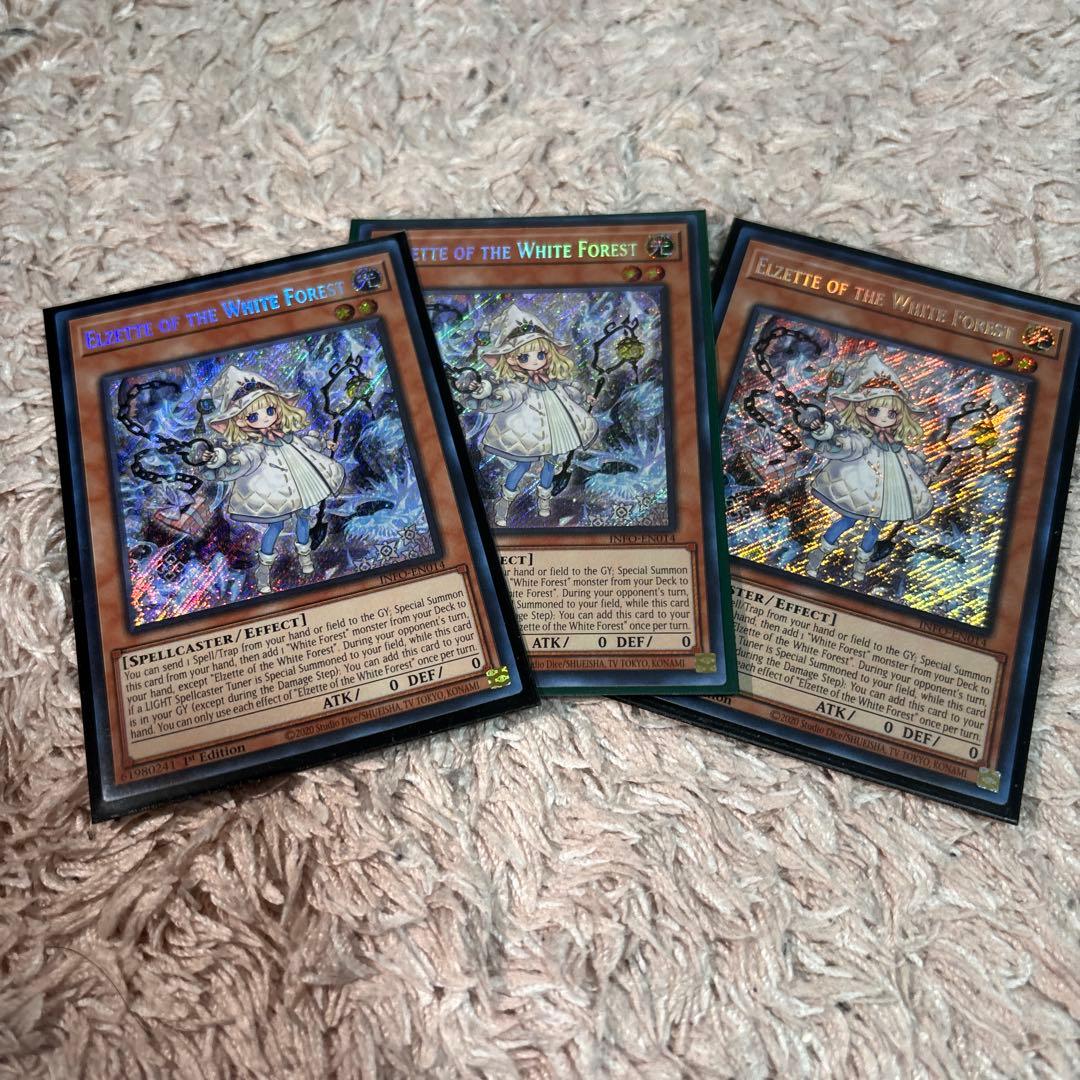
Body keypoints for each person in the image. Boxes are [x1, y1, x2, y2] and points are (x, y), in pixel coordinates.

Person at [200, 365, 344, 593]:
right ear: (241, 421)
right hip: (273, 490)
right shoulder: (254, 446)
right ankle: (264, 571)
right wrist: (220, 459)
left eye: (270, 410)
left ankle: (305, 555)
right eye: (253, 416)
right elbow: (241, 460)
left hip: (300, 483)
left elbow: (305, 447)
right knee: (276, 525)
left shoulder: (285, 435)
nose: (266, 418)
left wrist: (323, 443)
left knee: (304, 516)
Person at [455, 304, 598, 526]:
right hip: (528, 431)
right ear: (512, 359)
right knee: (522, 465)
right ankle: (504, 503)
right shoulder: (519, 386)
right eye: (525, 357)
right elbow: (505, 397)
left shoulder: (551, 379)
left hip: (555, 427)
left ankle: (544, 500)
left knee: (551, 463)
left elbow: (569, 392)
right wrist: (485, 392)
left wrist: (585, 396)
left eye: (541, 354)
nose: (535, 360)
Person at [799, 352, 932, 583]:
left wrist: (921, 467)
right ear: (861, 409)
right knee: (848, 520)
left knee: (876, 527)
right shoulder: (863, 437)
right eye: (874, 410)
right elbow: (849, 446)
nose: (884, 418)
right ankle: (818, 555)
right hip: (863, 488)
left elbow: (907, 462)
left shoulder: (895, 442)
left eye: (892, 413)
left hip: (891, 492)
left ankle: (861, 564)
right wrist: (831, 438)